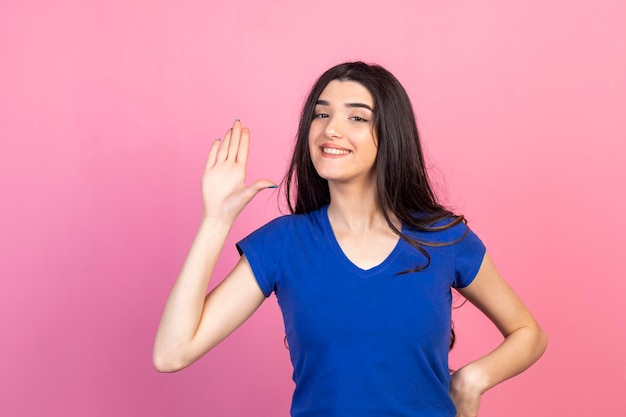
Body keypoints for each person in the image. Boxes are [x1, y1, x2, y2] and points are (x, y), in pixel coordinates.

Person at [153, 62, 547, 417]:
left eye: (356, 117)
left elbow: (529, 333)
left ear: (389, 135)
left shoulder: (443, 238)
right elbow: (172, 353)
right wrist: (216, 219)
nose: (330, 129)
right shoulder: (284, 244)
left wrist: (471, 380)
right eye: (321, 114)